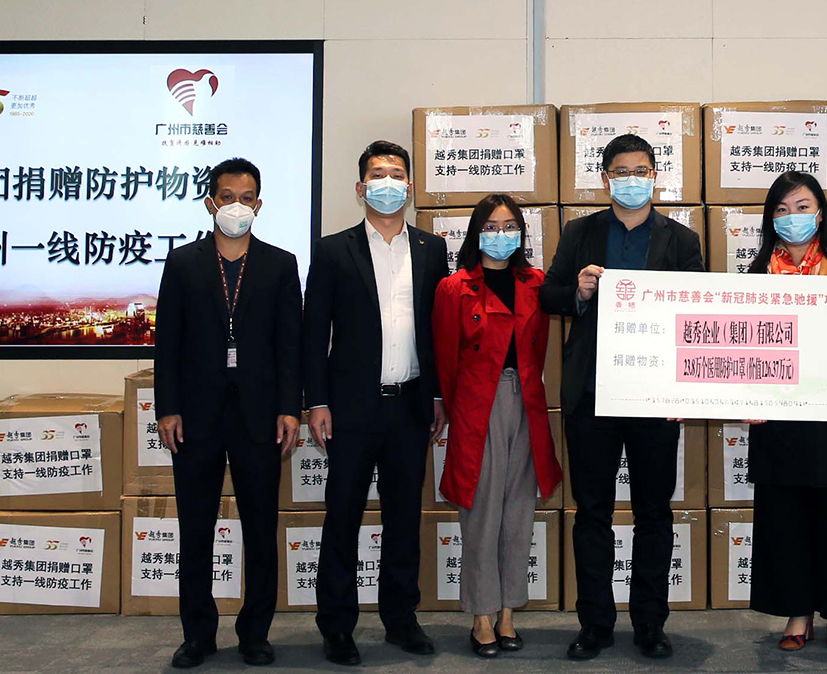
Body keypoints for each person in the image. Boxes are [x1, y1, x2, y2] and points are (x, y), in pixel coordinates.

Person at [539, 133, 705, 661]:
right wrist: (579, 292)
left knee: (654, 512)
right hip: (592, 393)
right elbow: (549, 295)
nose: (631, 180)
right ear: (605, 178)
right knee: (592, 513)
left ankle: (650, 624)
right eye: (621, 171)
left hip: (656, 396)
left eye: (641, 170)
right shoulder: (580, 232)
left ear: (655, 175)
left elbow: (698, 317)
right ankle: (595, 624)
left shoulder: (681, 240)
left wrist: (686, 390)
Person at [301, 140, 448, 666]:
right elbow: (314, 333)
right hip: (351, 407)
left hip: (411, 404)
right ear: (361, 187)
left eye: (397, 174)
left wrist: (436, 394)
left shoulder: (432, 249)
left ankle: (401, 619)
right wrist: (316, 401)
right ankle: (337, 625)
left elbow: (438, 330)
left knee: (404, 517)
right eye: (378, 174)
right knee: (342, 515)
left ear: (410, 186)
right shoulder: (333, 250)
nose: (388, 182)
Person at [154, 157, 302, 669]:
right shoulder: (183, 262)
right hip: (195, 417)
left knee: (260, 529)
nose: (237, 206)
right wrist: (167, 408)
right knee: (196, 528)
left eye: (246, 198)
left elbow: (290, 345)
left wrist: (290, 408)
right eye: (227, 197)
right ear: (210, 202)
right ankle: (197, 635)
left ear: (259, 205)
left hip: (260, 417)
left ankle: (255, 633)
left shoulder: (281, 264)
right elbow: (167, 342)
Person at [744, 172, 827, 652]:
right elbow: (745, 345)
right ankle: (796, 611)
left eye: (802, 207)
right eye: (781, 210)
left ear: (820, 213)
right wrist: (745, 396)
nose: (792, 217)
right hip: (778, 415)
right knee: (785, 515)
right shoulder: (758, 272)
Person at [433, 194, 563, 658]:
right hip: (476, 406)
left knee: (519, 515)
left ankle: (508, 612)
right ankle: (481, 615)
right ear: (475, 232)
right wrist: (461, 408)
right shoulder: (454, 287)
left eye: (510, 226)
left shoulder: (536, 283)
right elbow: (445, 359)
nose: (501, 234)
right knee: (482, 515)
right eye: (491, 226)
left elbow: (540, 348)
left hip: (527, 402)